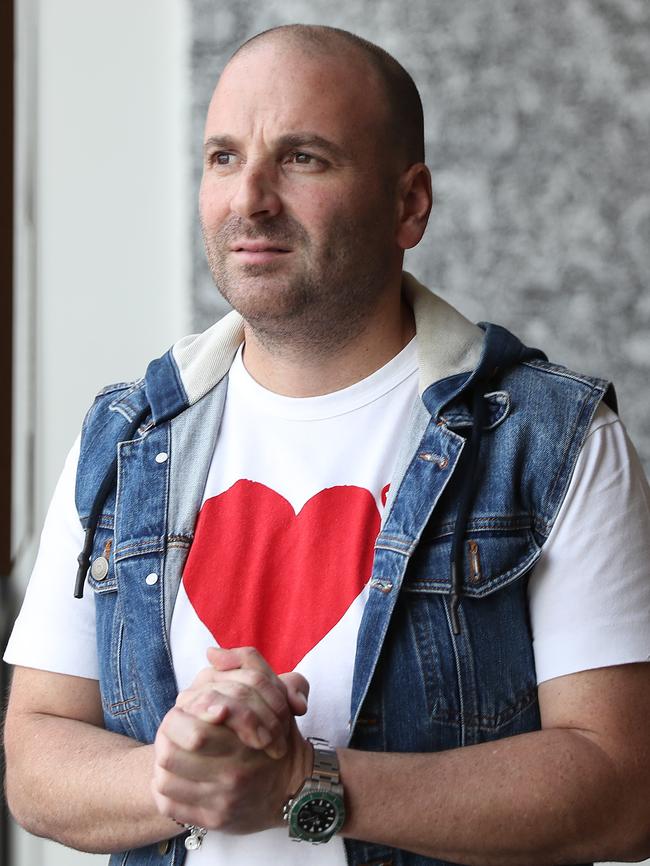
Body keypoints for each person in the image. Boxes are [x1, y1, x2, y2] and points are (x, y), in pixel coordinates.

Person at [4, 22, 650, 866]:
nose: (251, 199)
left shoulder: (550, 439)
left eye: (303, 158)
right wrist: (177, 776)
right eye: (224, 157)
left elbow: (623, 788)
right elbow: (35, 751)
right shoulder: (126, 437)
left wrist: (305, 782)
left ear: (409, 204)